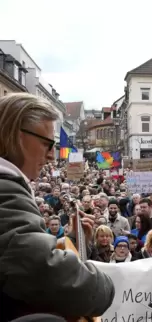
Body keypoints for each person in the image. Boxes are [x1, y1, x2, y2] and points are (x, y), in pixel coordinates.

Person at [0, 93, 115, 321]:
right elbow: (40, 269)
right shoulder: (4, 188)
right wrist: (105, 286)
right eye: (47, 144)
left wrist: (71, 238)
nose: (52, 156)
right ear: (16, 136)